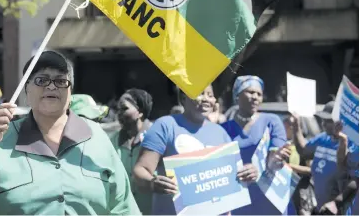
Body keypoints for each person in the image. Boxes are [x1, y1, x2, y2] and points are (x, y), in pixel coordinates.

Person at [0, 51, 140, 215]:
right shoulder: (1, 138)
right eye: (41, 80)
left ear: (70, 92)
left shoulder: (96, 136)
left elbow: (123, 206)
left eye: (60, 81)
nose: (51, 86)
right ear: (26, 90)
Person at [133, 85, 232, 215]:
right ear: (183, 98)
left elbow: (229, 183)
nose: (206, 99)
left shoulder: (221, 133)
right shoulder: (165, 125)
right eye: (200, 93)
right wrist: (152, 183)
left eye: (210, 95)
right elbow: (140, 170)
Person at [220, 75, 293, 215]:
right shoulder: (223, 129)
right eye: (250, 92)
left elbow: (275, 156)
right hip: (238, 200)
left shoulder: (272, 121)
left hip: (270, 197)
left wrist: (275, 158)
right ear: (237, 95)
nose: (255, 97)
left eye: (259, 94)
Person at [291, 101, 356, 214]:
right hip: (321, 209)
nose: (323, 124)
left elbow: (356, 180)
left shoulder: (353, 145)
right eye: (323, 120)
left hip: (339, 210)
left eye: (328, 120)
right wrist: (296, 126)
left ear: (340, 122)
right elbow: (303, 151)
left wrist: (337, 202)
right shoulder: (322, 139)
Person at [110, 88, 153, 215]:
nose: (119, 113)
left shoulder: (156, 137)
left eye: (124, 108)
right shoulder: (112, 141)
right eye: (118, 109)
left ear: (140, 112)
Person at [319, 132, 359, 215]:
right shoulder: (354, 144)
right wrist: (343, 142)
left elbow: (356, 180)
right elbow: (341, 164)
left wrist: (336, 202)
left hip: (351, 204)